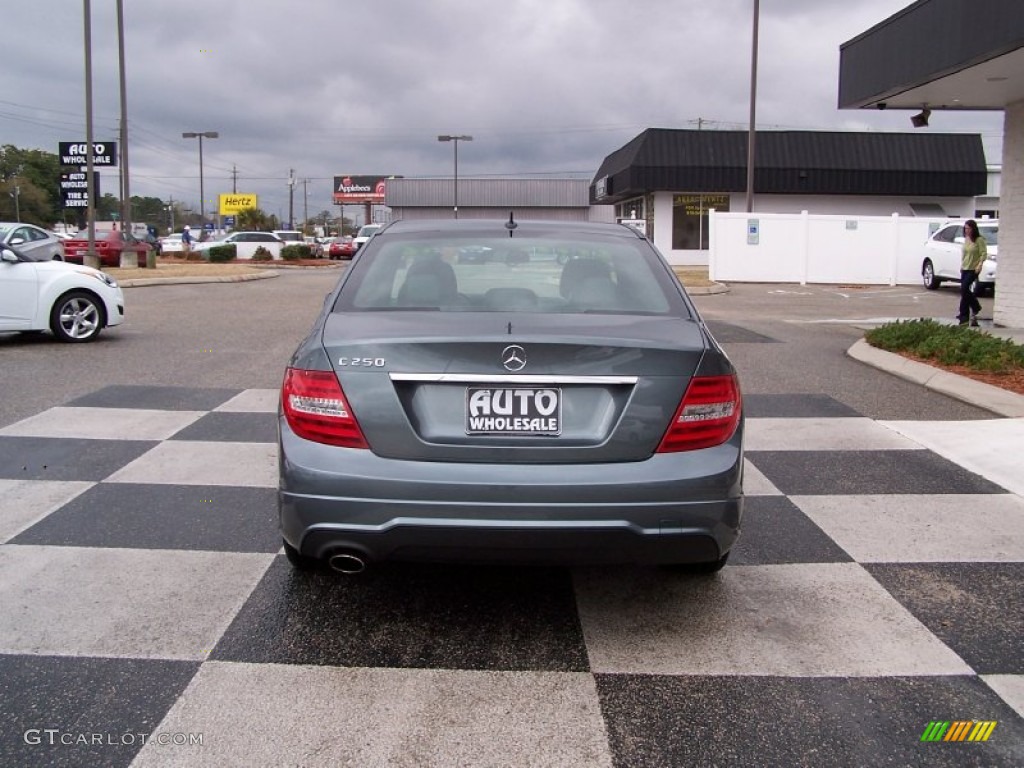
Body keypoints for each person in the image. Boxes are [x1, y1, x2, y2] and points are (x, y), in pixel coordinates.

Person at [957, 219, 986, 327]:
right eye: (965, 228)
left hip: (974, 268)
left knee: (964, 288)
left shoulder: (979, 240)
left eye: (968, 228)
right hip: (965, 267)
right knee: (964, 291)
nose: (966, 231)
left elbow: (983, 253)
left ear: (973, 228)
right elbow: (964, 254)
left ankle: (976, 306)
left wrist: (980, 264)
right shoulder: (966, 239)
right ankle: (964, 314)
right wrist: (961, 265)